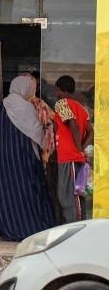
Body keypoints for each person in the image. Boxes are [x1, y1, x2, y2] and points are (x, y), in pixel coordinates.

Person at [0, 75, 56, 241]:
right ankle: (36, 230)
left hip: (3, 162)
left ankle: (11, 231)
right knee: (31, 193)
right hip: (25, 159)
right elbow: (38, 134)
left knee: (8, 195)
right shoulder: (28, 108)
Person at [52, 75, 92, 223]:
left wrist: (77, 149)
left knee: (66, 197)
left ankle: (73, 227)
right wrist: (81, 149)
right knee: (76, 194)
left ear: (58, 89)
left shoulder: (61, 104)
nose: (55, 94)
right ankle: (79, 226)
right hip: (74, 157)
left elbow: (72, 124)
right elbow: (91, 132)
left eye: (56, 90)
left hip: (69, 158)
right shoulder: (80, 107)